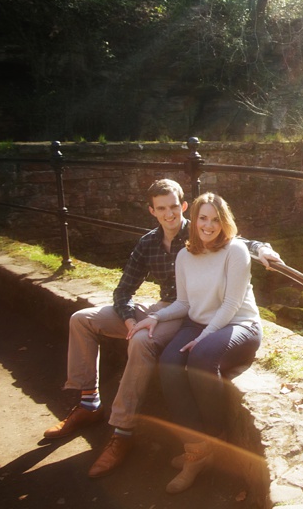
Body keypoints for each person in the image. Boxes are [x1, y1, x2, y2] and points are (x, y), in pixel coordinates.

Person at [42, 179, 280, 479]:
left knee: (147, 343)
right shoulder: (154, 243)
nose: (169, 215)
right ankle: (89, 402)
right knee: (82, 319)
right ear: (152, 211)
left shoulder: (199, 232)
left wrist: (264, 249)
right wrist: (130, 319)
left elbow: (238, 243)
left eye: (173, 207)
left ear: (183, 208)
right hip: (169, 308)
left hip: (191, 317)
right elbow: (124, 291)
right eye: (161, 209)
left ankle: (123, 431)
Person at [128, 192, 263, 494]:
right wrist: (157, 318)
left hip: (239, 324)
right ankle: (198, 449)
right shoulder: (185, 256)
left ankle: (216, 439)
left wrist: (204, 336)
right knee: (170, 363)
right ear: (196, 220)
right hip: (198, 323)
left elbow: (231, 304)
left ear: (223, 221)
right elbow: (184, 303)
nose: (209, 225)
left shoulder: (236, 250)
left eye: (216, 219)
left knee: (200, 358)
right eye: (203, 218)